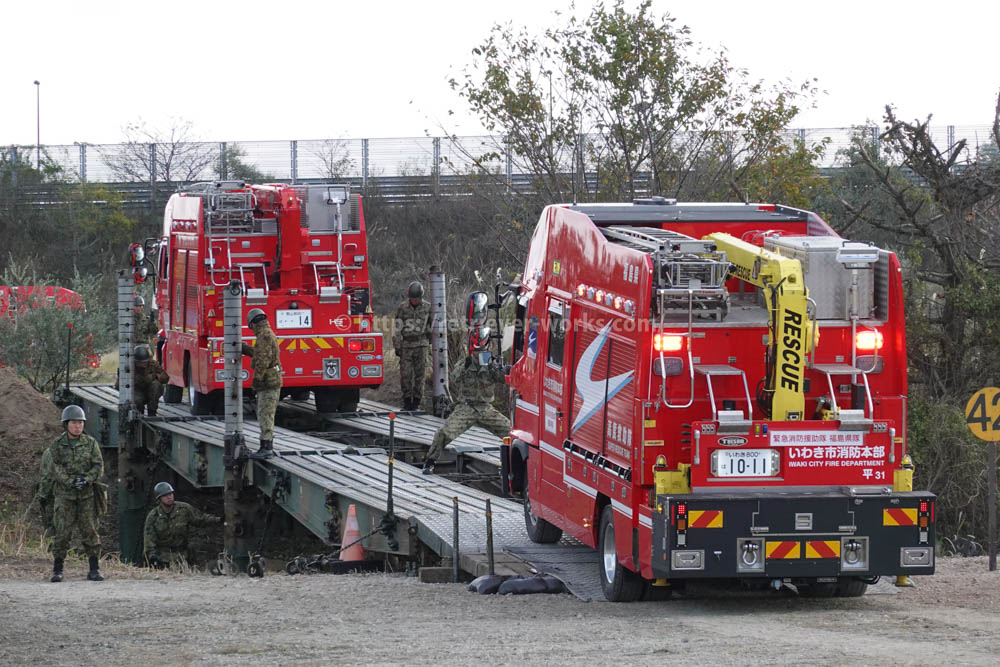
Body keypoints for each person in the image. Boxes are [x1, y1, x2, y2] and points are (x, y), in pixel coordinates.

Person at [423, 326, 509, 474]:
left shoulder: (491, 363)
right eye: (476, 352)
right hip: (466, 408)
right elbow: (454, 378)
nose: (478, 355)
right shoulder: (465, 364)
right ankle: (430, 462)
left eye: (481, 352)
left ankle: (510, 467)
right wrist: (467, 365)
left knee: (511, 432)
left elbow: (504, 379)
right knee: (444, 433)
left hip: (485, 408)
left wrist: (500, 368)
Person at [47, 404, 104, 582]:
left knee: (90, 531)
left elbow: (98, 466)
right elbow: (55, 468)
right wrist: (70, 481)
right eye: (74, 422)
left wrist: (87, 479)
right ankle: (58, 569)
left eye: (80, 422)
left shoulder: (91, 443)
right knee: (62, 533)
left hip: (86, 495)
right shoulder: (57, 445)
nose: (78, 426)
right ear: (66, 424)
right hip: (65, 496)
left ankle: (94, 569)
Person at [143, 481, 222, 569]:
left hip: (182, 555)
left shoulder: (184, 509)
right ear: (159, 499)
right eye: (165, 495)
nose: (169, 497)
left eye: (171, 494)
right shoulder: (153, 516)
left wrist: (218, 519)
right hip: (163, 557)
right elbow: (149, 540)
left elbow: (201, 519)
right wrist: (153, 557)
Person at [241, 308, 282, 459]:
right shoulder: (267, 333)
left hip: (268, 382)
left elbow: (262, 361)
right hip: (272, 379)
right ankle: (266, 446)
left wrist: (256, 381)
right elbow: (261, 354)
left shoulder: (264, 336)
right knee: (266, 413)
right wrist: (245, 349)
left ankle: (266, 448)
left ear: (253, 324)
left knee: (265, 414)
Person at [392, 281, 432, 411]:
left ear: (421, 297)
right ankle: (407, 401)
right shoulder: (402, 307)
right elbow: (397, 328)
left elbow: (432, 327)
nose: (415, 301)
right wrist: (397, 346)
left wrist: (430, 344)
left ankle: (416, 402)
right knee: (406, 375)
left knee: (420, 375)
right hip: (407, 345)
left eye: (417, 299)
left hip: (422, 345)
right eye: (412, 299)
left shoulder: (428, 307)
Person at [133, 344, 169, 416]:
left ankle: (152, 412)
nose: (143, 364)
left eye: (145, 362)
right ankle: (139, 414)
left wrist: (155, 376)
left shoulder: (153, 364)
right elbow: (119, 385)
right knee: (138, 401)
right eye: (140, 362)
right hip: (137, 391)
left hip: (150, 392)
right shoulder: (129, 367)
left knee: (156, 384)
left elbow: (165, 378)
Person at [34, 447, 54, 536]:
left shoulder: (48, 451)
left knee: (48, 522)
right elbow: (49, 475)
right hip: (52, 491)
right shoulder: (55, 452)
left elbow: (43, 473)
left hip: (46, 490)